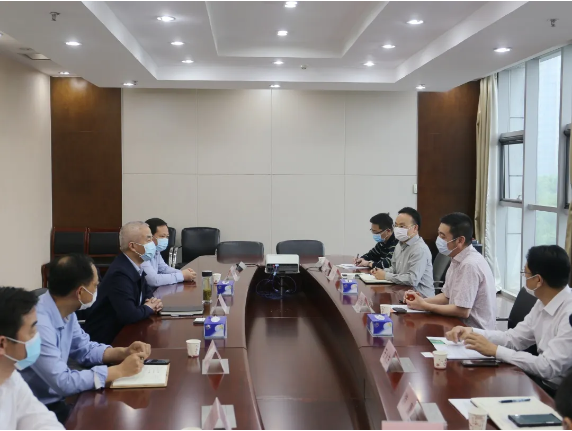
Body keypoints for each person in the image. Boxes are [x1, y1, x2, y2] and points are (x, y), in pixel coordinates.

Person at [20, 255, 150, 424]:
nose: (97, 289)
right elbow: (63, 382)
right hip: (34, 409)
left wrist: (123, 352)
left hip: (55, 400)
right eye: (95, 285)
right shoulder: (38, 324)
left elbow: (85, 349)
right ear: (80, 292)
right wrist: (118, 371)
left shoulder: (64, 309)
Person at [446, 245, 572, 390]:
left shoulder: (569, 314)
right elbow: (513, 339)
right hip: (538, 380)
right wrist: (472, 332)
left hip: (560, 392)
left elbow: (547, 367)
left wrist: (495, 350)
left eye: (525, 273)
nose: (524, 278)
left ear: (538, 280)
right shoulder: (542, 302)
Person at [405, 212, 496, 329]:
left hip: (473, 333)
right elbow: (447, 297)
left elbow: (462, 310)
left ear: (460, 240)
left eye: (443, 236)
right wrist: (420, 301)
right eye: (439, 234)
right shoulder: (456, 257)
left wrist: (425, 306)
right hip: (456, 326)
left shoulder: (469, 264)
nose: (438, 240)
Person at [84, 221, 164, 344]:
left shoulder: (135, 266)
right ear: (132, 246)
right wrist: (149, 307)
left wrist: (155, 303)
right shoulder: (120, 273)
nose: (153, 243)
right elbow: (129, 315)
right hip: (107, 340)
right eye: (148, 239)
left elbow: (148, 295)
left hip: (126, 332)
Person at [0, 287, 63, 430]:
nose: (37, 336)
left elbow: (40, 420)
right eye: (32, 330)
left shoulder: (11, 377)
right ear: (2, 344)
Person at [371, 207, 434, 298]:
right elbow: (394, 268)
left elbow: (412, 279)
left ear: (415, 228)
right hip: (402, 294)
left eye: (402, 226)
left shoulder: (420, 249)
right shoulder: (399, 244)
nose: (397, 229)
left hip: (421, 299)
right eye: (396, 225)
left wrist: (386, 276)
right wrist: (381, 272)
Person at [142, 218, 196, 289]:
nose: (165, 239)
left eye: (167, 236)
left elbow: (163, 269)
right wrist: (182, 276)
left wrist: (182, 273)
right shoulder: (142, 252)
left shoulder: (155, 250)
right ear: (149, 236)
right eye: (162, 236)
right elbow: (154, 280)